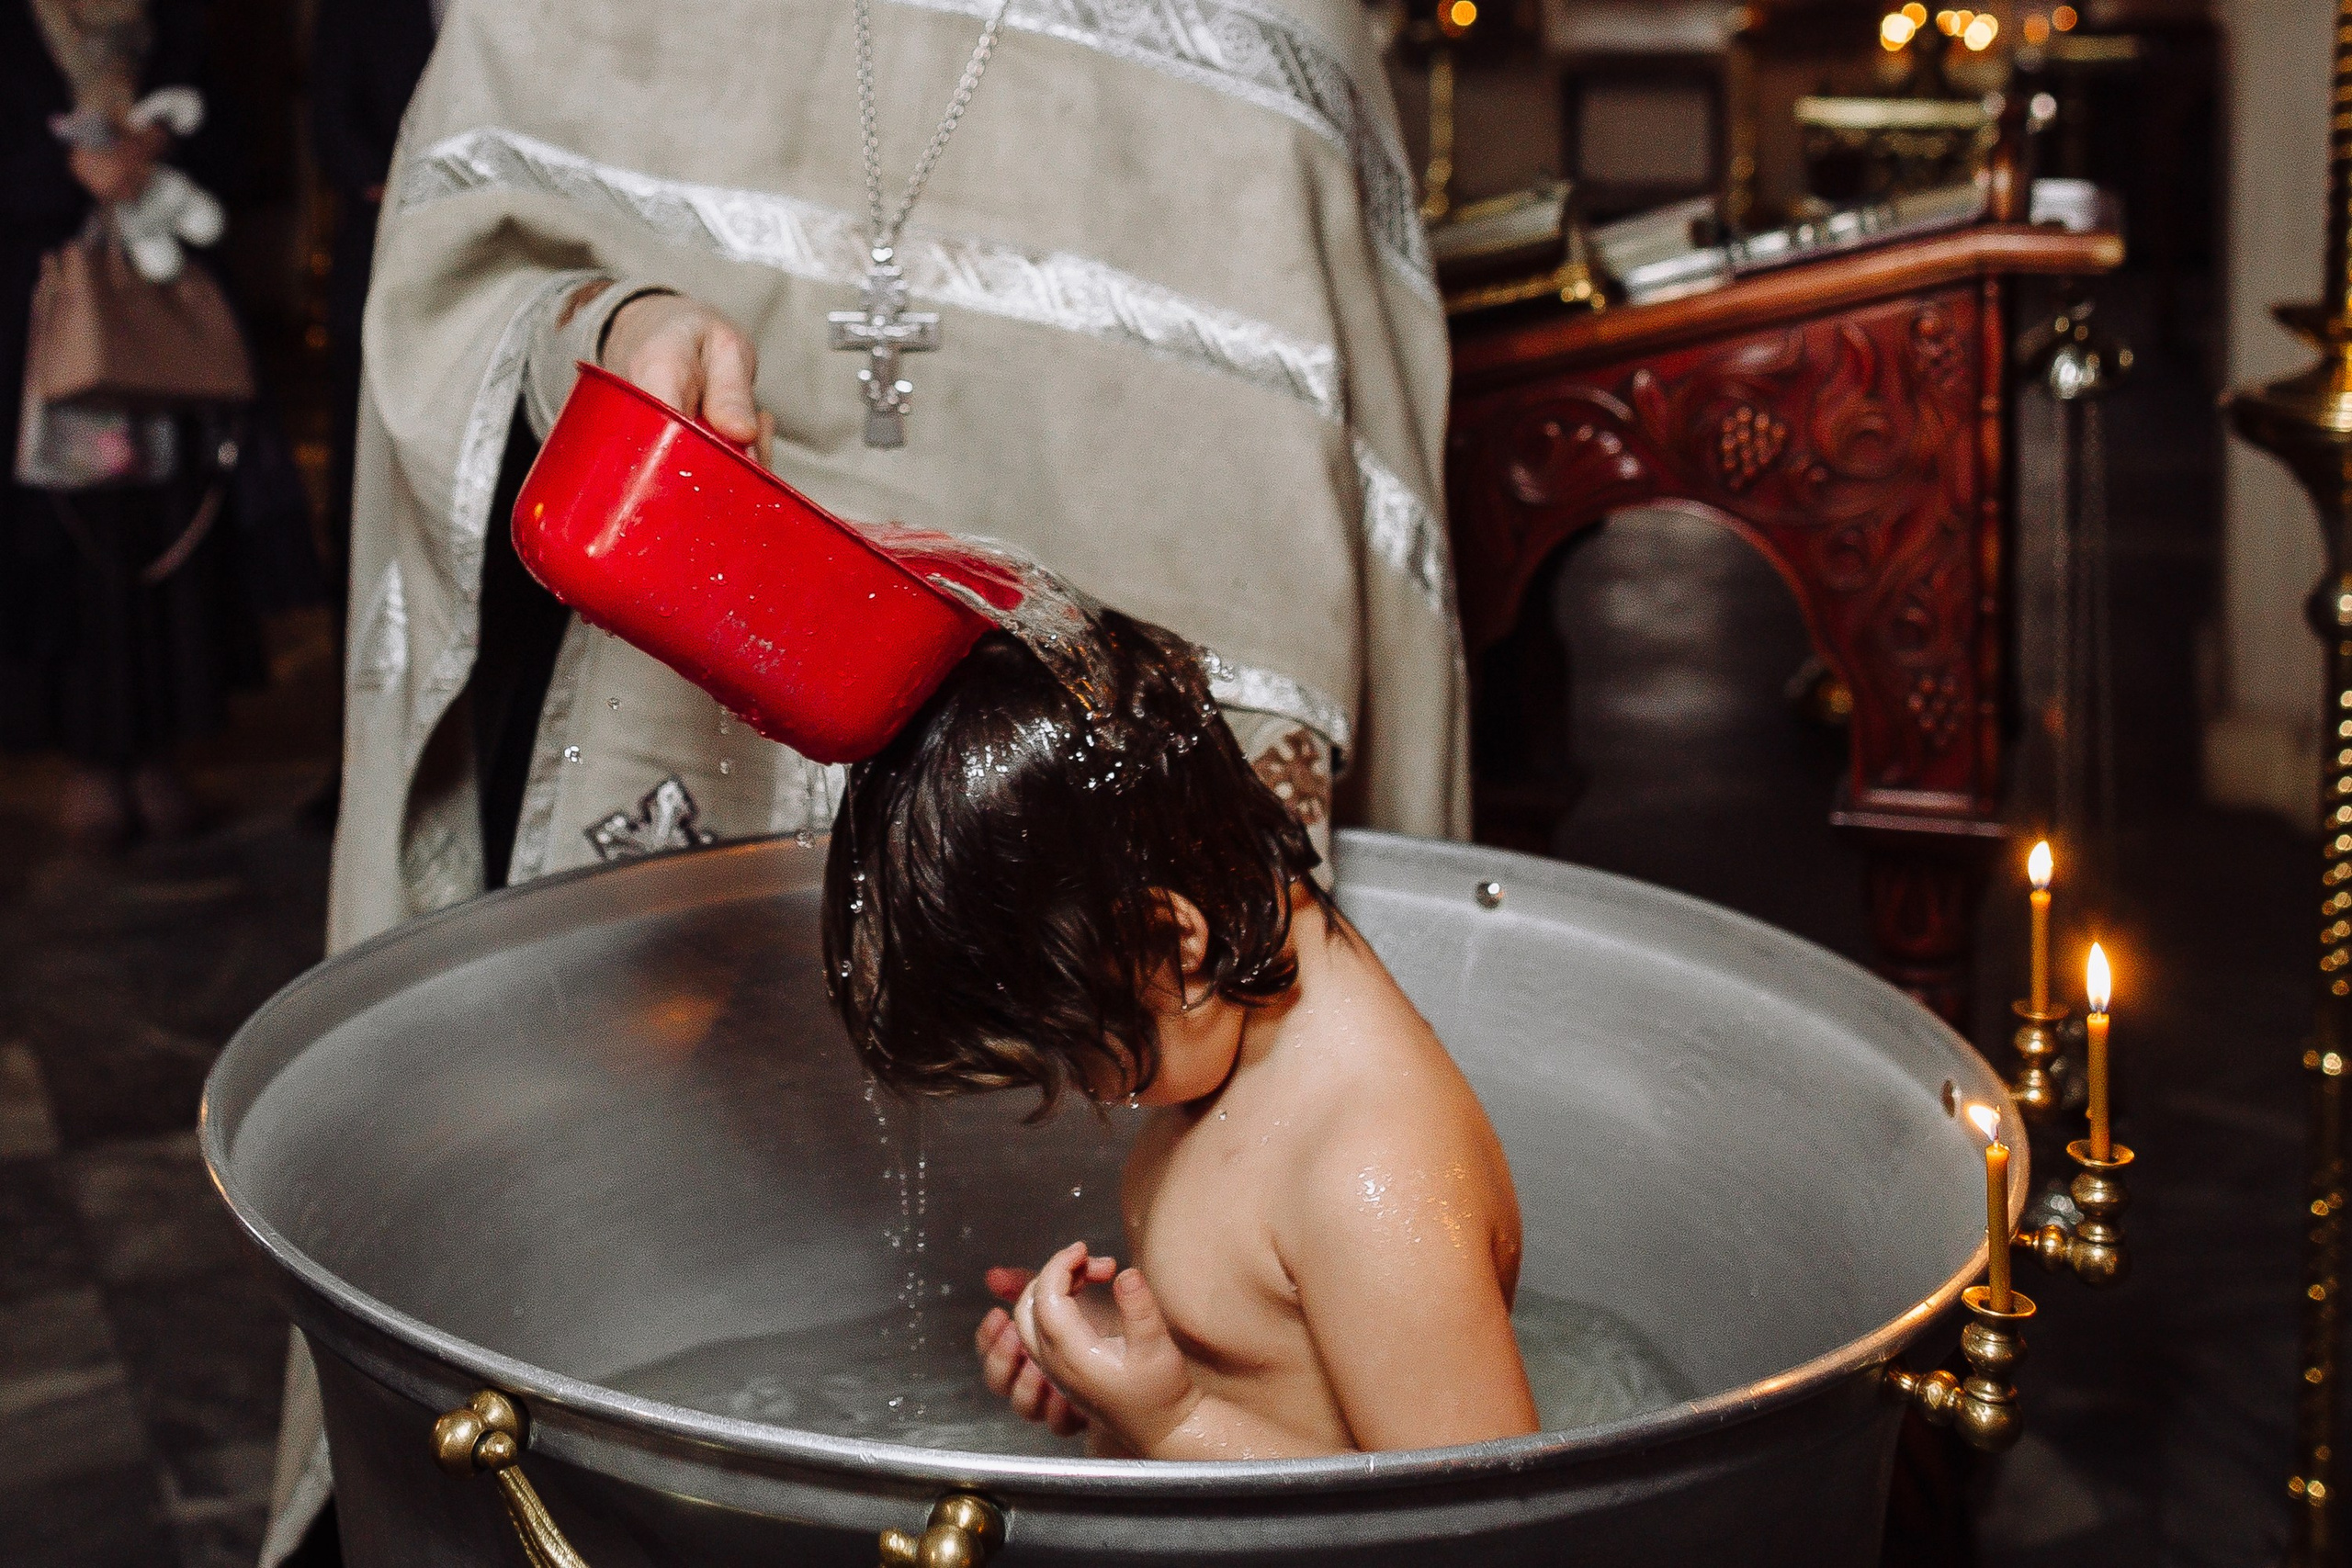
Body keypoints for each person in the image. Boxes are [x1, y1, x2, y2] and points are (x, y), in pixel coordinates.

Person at [274, 0, 1469, 1550]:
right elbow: (457, 273)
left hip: (1138, 955)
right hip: (686, 828)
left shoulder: (1341, 1137)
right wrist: (607, 334)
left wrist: (1178, 1405)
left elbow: (1456, 1499)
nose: (1086, 1103)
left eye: (1089, 1070)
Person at [825, 612, 1537, 1456]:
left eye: (1079, 1050)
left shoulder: (1373, 1180)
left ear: (1174, 943)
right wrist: (1111, 1370)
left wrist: (1177, 1421)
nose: (1091, 1090)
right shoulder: (1229, 1041)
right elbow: (1274, 1345)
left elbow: (1480, 1532)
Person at [2, 0, 261, 847]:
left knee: (161, 529)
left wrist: (160, 151)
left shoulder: (178, 24)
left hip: (159, 324)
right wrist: (64, 170)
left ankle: (157, 751)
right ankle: (90, 760)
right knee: (68, 531)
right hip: (48, 323)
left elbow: (240, 144)